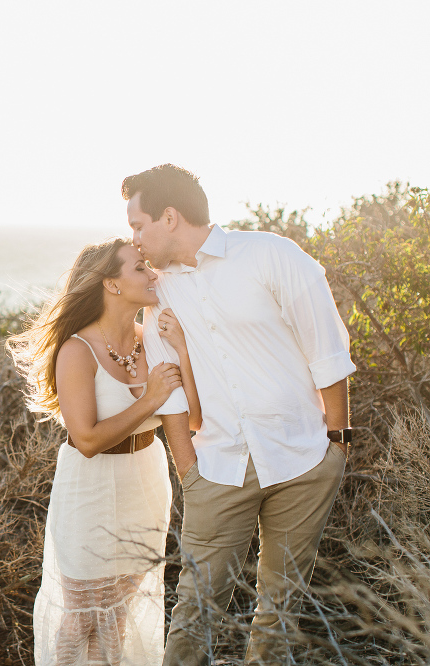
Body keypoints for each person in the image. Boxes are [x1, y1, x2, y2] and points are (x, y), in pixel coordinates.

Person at [121, 164, 355, 665]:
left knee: (281, 613)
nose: (134, 238)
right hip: (218, 469)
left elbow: (328, 349)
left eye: (138, 225)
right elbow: (173, 395)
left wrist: (336, 445)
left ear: (169, 216)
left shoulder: (271, 255)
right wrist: (190, 474)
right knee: (195, 615)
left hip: (303, 461)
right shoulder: (158, 293)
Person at [8, 238, 201, 666]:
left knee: (119, 617)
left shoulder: (154, 338)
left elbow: (192, 421)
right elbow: (88, 440)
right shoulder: (77, 350)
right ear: (111, 285)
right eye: (140, 268)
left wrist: (184, 351)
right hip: (89, 490)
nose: (154, 275)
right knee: (81, 619)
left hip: (146, 482)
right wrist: (148, 400)